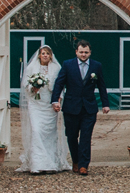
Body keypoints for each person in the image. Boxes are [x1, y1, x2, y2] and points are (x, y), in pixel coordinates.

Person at [51, 38, 112, 175]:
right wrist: (55, 100)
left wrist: (105, 104)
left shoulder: (96, 66)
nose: (83, 55)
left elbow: (102, 85)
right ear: (76, 52)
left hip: (89, 107)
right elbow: (59, 83)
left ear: (90, 53)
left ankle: (84, 165)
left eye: (86, 52)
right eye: (81, 52)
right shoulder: (68, 65)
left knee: (85, 137)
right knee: (72, 136)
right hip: (71, 107)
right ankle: (76, 160)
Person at [20, 44, 64, 174]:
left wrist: (58, 101)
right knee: (37, 130)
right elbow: (25, 85)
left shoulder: (56, 68)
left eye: (48, 53)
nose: (45, 55)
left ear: (51, 56)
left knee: (50, 133)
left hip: (50, 104)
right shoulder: (32, 67)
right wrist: (33, 88)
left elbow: (60, 86)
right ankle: (37, 163)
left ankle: (50, 162)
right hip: (36, 104)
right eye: (43, 53)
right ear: (39, 55)